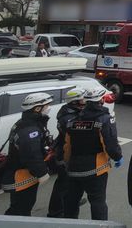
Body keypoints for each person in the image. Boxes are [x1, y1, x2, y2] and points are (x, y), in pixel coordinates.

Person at [63, 86, 123, 221]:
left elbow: (67, 146)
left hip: (74, 168)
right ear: (101, 100)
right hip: (96, 169)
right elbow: (111, 143)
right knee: (98, 202)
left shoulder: (73, 120)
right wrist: (118, 157)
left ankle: (68, 224)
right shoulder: (104, 119)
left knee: (71, 202)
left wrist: (68, 163)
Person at [2, 93, 53, 216]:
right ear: (37, 108)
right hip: (21, 174)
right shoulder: (30, 128)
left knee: (19, 207)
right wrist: (41, 173)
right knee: (21, 209)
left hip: (21, 171)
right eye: (47, 106)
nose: (49, 108)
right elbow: (31, 154)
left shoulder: (24, 122)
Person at [48, 88, 87, 218]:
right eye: (82, 99)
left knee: (70, 184)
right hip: (65, 154)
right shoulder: (69, 118)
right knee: (63, 184)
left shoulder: (70, 111)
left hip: (67, 152)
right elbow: (76, 135)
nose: (85, 101)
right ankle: (55, 212)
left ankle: (70, 202)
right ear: (75, 102)